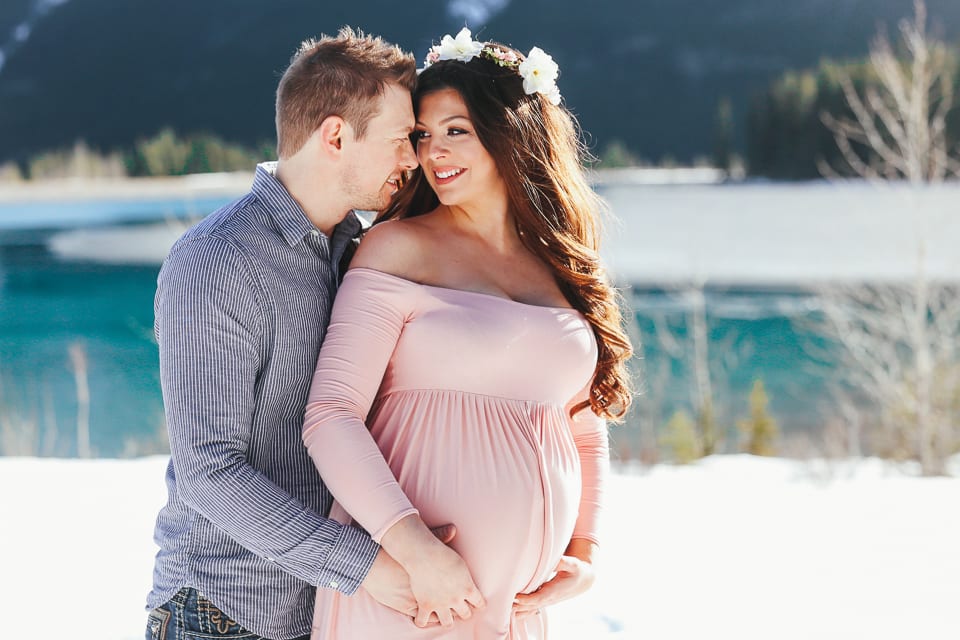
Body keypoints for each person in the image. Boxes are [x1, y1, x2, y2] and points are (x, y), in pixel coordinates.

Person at [144, 28, 482, 640]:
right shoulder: (215, 260)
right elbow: (208, 471)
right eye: (401, 140)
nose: (414, 160)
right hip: (220, 615)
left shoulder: (361, 251)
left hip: (332, 618)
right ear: (335, 135)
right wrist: (369, 566)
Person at [301, 28, 634, 639]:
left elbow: (582, 425)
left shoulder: (560, 265)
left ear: (513, 132)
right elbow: (332, 415)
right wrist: (416, 551)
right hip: (417, 596)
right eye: (423, 135)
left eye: (457, 129)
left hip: (516, 609)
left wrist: (583, 552)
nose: (434, 152)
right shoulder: (399, 246)